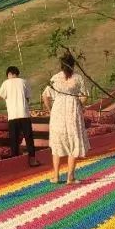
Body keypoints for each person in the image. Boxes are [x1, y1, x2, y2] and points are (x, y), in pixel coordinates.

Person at [41, 53, 89, 185]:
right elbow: (84, 96)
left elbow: (45, 95)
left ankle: (56, 176)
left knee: (57, 144)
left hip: (58, 111)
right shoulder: (78, 78)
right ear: (73, 64)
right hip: (73, 112)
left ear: (61, 65)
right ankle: (70, 177)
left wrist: (50, 109)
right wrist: (80, 105)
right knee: (73, 142)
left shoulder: (55, 78)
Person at [0, 66, 38, 167]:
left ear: (9, 74)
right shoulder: (24, 82)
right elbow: (27, 98)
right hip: (24, 114)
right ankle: (32, 160)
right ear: (17, 73)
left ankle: (15, 162)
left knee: (14, 140)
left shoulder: (6, 83)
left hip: (13, 116)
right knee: (29, 138)